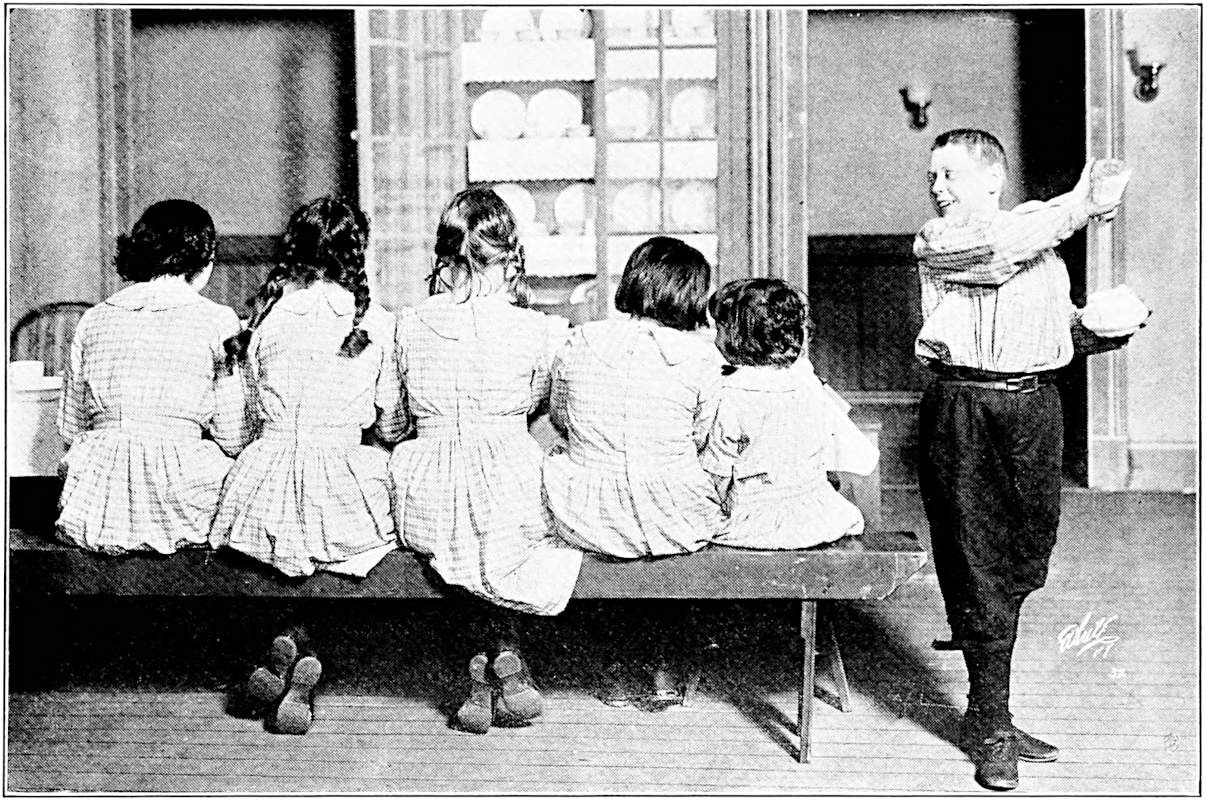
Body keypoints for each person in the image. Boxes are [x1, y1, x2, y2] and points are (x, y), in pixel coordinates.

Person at [913, 129, 1124, 790]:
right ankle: (994, 722)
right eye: (933, 176)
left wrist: (1106, 328)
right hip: (962, 407)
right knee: (975, 559)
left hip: (1033, 407)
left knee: (1023, 556)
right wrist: (1081, 203)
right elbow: (999, 253)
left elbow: (1057, 330)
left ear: (991, 180)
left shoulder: (1041, 239)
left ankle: (984, 710)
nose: (936, 188)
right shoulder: (938, 240)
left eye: (948, 176)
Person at [388, 187, 581, 734]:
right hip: (506, 471)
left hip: (425, 483)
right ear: (511, 257)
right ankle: (502, 647)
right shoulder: (540, 329)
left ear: (445, 256)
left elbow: (396, 423)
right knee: (514, 534)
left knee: (455, 537)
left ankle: (480, 661)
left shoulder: (406, 323)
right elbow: (542, 409)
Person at [211, 197, 407, 734]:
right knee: (365, 534)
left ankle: (294, 641)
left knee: (290, 549)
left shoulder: (263, 321)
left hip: (262, 482)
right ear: (357, 253)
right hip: (343, 482)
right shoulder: (378, 324)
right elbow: (389, 427)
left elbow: (244, 420)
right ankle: (307, 651)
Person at [543, 236, 724, 708]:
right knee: (670, 511)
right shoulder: (703, 357)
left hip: (587, 509)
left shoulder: (582, 339)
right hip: (674, 513)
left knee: (590, 511)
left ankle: (617, 669)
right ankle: (663, 666)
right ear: (691, 293)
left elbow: (560, 419)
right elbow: (703, 436)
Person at [56, 200, 252, 554]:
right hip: (178, 495)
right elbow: (233, 437)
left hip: (97, 497)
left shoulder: (94, 318)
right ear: (205, 263)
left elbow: (71, 429)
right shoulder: (218, 320)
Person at [702, 277, 866, 550]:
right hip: (816, 513)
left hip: (758, 521)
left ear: (737, 336)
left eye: (719, 328)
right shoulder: (807, 380)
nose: (715, 338)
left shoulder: (730, 392)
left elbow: (718, 473)